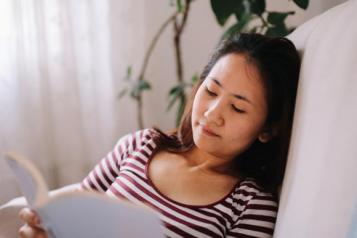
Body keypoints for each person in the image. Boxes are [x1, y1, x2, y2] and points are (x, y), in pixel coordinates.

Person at [18, 33, 300, 238]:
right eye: (211, 91)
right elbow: (80, 206)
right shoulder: (140, 146)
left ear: (268, 129)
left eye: (238, 108)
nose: (213, 114)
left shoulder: (250, 205)